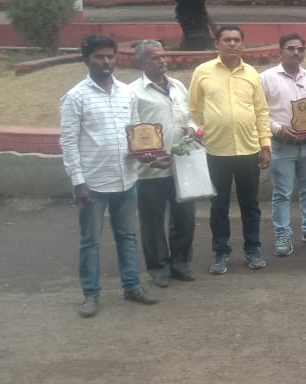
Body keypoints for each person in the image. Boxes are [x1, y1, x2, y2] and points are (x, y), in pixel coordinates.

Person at [61, 34, 159, 317]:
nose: (106, 62)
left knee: (127, 236)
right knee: (90, 241)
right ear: (86, 60)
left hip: (126, 179)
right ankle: (91, 294)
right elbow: (68, 142)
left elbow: (136, 131)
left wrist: (145, 152)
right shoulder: (75, 97)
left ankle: (132, 286)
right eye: (99, 57)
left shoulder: (127, 92)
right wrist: (78, 181)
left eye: (110, 56)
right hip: (93, 184)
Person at [189, 25, 272, 274]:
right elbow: (193, 109)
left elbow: (261, 111)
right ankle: (220, 252)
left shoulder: (251, 74)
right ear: (217, 44)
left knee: (250, 205)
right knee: (218, 206)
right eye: (227, 40)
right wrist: (199, 131)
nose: (232, 44)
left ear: (243, 44)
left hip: (248, 149)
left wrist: (265, 145)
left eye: (237, 40)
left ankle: (253, 249)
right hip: (216, 151)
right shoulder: (203, 72)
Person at [130, 39, 198, 287]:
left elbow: (190, 116)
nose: (161, 60)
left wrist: (192, 129)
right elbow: (131, 130)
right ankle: (158, 268)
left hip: (182, 164)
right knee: (153, 221)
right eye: (154, 57)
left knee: (185, 217)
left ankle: (181, 263)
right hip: (151, 169)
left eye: (162, 56)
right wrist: (147, 158)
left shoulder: (178, 85)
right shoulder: (133, 92)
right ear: (141, 63)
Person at [260, 33, 306, 257]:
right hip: (282, 145)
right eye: (290, 48)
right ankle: (283, 235)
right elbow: (259, 112)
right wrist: (277, 128)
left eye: (300, 49)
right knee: (282, 193)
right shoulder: (267, 78)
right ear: (280, 51)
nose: (296, 53)